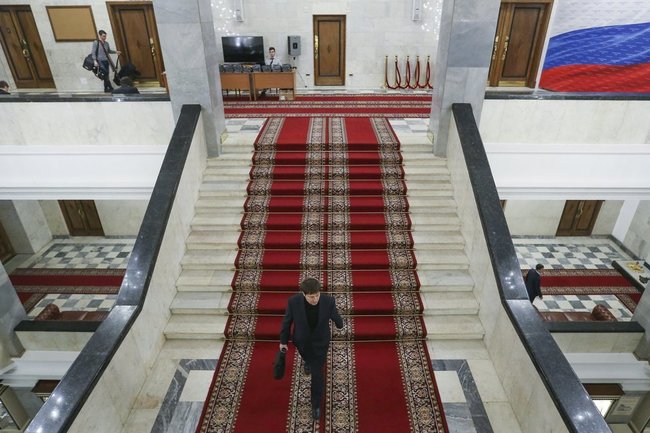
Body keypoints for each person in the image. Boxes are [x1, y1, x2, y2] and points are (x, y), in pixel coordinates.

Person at [279, 278, 343, 421]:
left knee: (317, 374)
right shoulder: (293, 302)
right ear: (304, 294)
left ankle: (316, 405)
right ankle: (307, 362)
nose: (315, 299)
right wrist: (283, 341)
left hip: (321, 343)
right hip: (302, 342)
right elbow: (286, 322)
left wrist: (339, 322)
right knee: (307, 358)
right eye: (311, 296)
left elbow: (334, 314)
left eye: (317, 295)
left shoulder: (328, 301)